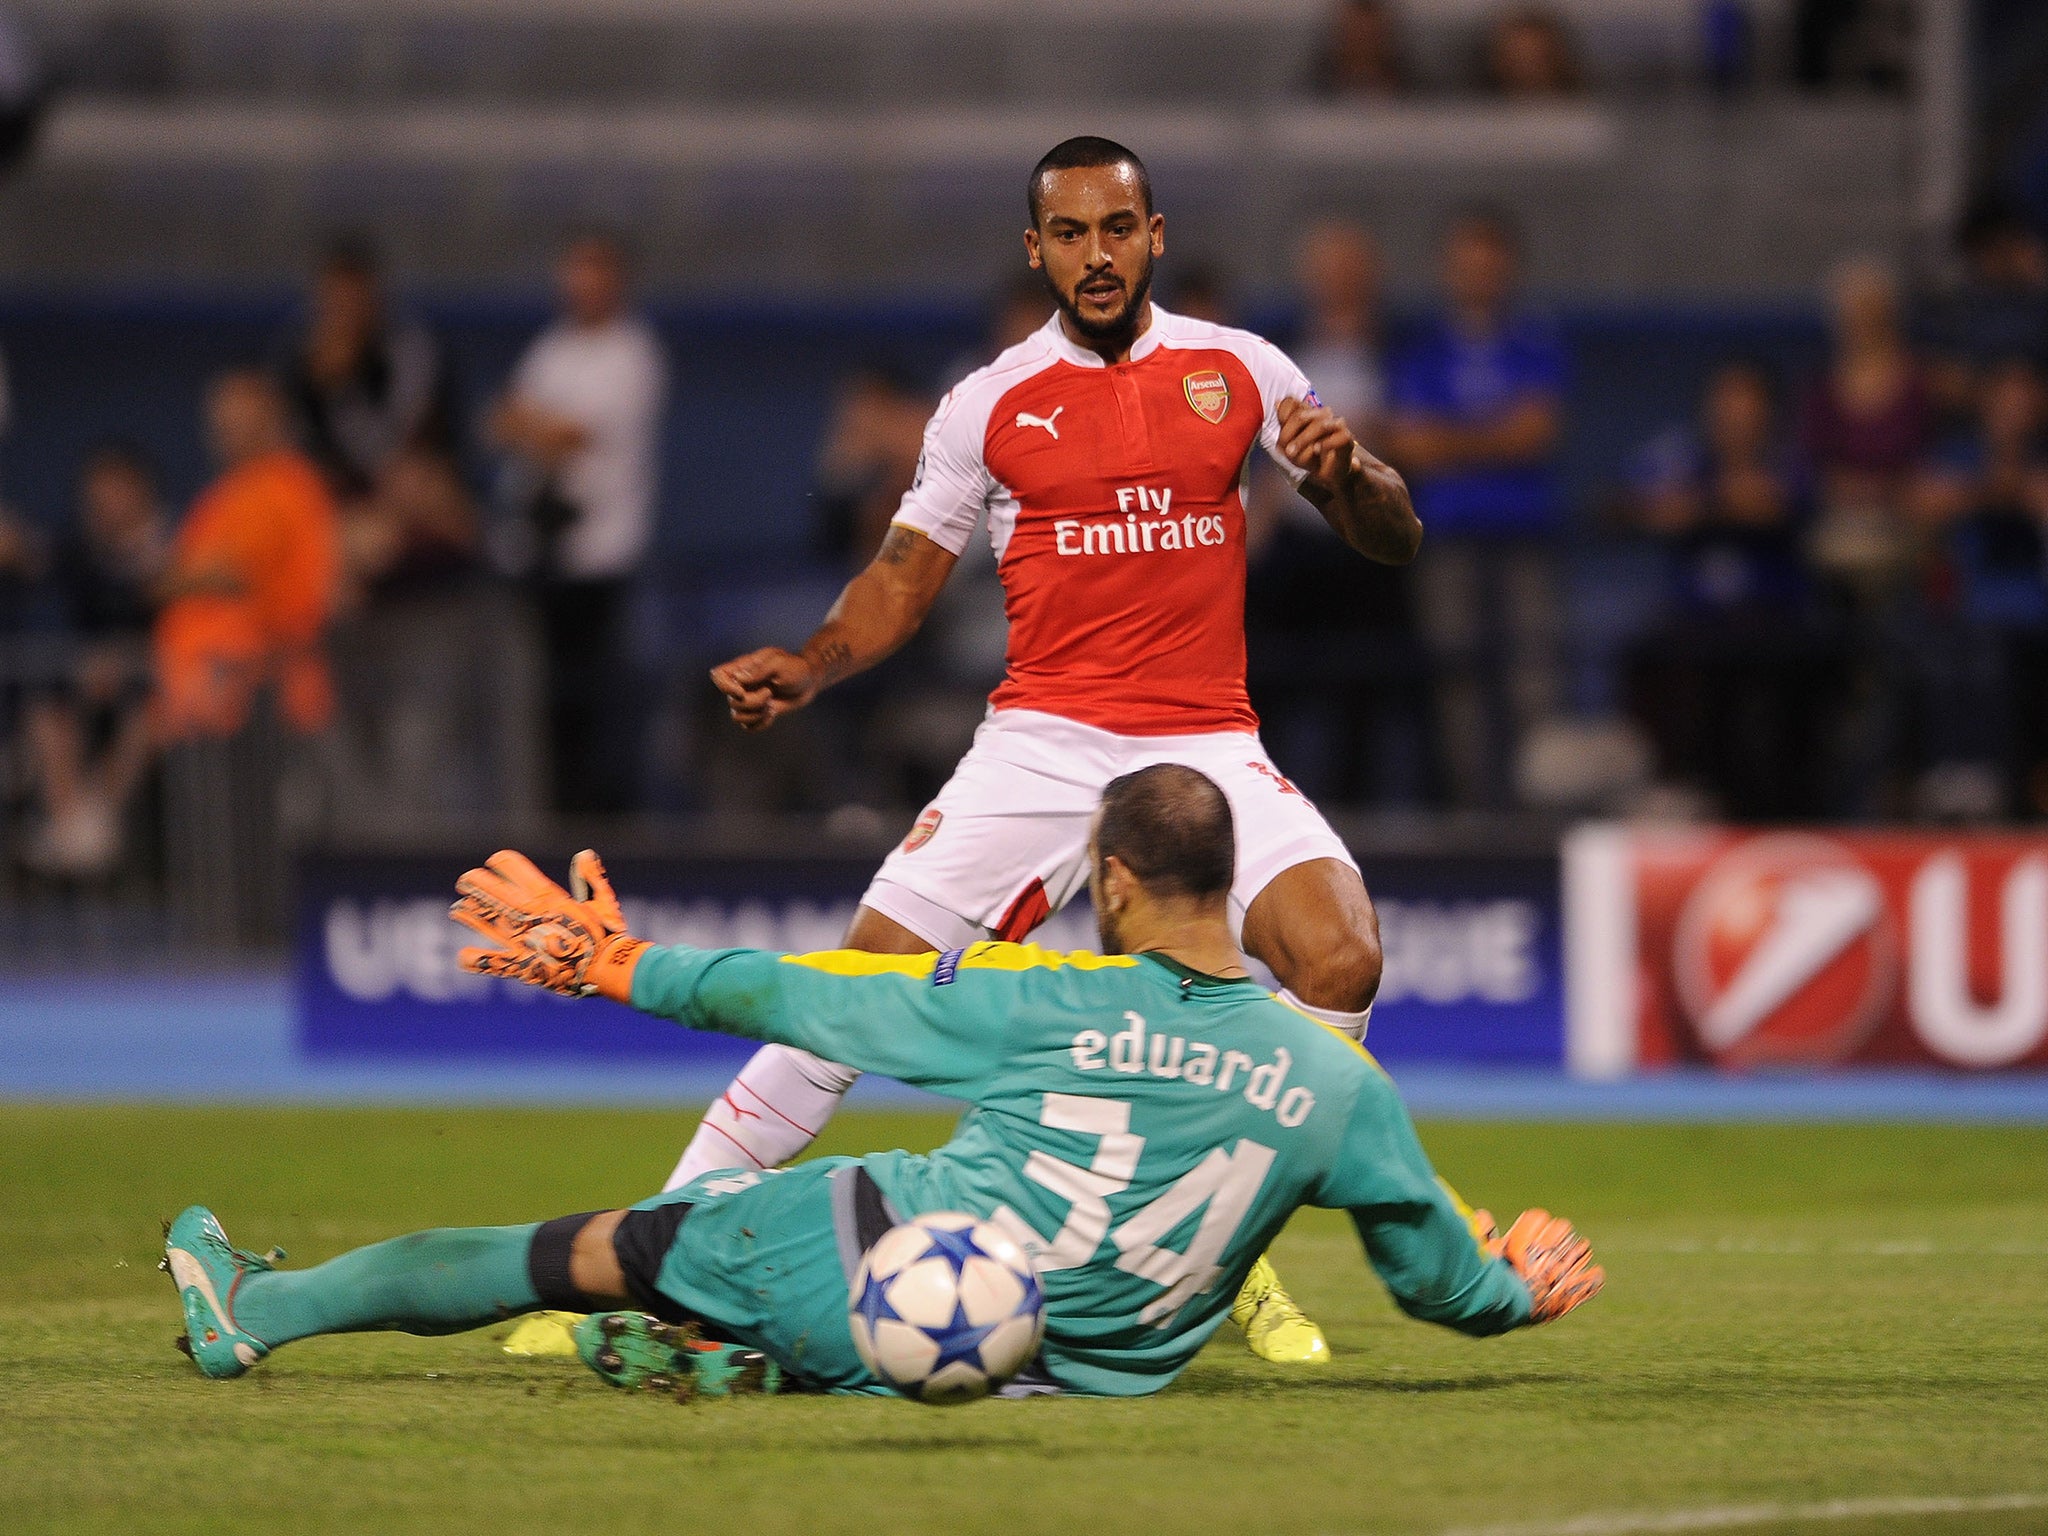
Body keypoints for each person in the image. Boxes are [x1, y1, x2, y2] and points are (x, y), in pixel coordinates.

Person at [665, 137, 1421, 1369]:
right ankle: (662, 1235)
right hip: (1045, 740)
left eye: (1114, 229)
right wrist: (809, 664)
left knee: (1338, 951)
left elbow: (1389, 538)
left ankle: (1222, 1253)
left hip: (1204, 740)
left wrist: (1355, 478)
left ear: (1153, 234)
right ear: (1036, 250)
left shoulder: (1238, 369)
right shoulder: (988, 402)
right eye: (1067, 234)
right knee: (851, 997)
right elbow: (900, 580)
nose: (1095, 254)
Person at [164, 765, 1602, 1396]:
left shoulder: (1052, 998)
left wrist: (613, 965)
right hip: (1080, 1374)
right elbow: (1435, 1284)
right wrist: (1516, 1287)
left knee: (557, 1256)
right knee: (718, 1299)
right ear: (1234, 886)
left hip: (861, 1253)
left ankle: (255, 1309)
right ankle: (755, 1360)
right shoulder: (1332, 1078)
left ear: (1109, 880)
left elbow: (804, 996)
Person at [1386, 208, 1566, 807]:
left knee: (1533, 681)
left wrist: (1452, 440)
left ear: (1508, 268)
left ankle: (1534, 818)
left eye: (1490, 263)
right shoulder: (1423, 346)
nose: (1479, 275)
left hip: (1523, 538)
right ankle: (1474, 817)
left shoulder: (1534, 341)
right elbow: (1409, 444)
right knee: (1456, 683)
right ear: (1449, 269)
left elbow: (1535, 434)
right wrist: (1495, 438)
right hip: (1446, 539)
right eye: (1468, 264)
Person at [489, 230, 668, 815]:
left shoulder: (632, 352)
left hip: (604, 558)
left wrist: (533, 426)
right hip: (543, 555)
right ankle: (556, 824)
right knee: (548, 712)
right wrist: (534, 427)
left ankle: (608, 833)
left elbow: (571, 435)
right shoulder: (552, 349)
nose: (582, 283)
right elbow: (497, 422)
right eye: (574, 269)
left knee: (603, 711)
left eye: (595, 269)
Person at [1623, 363, 1838, 820]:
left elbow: (1772, 506)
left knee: (1772, 680)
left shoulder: (1792, 462)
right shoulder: (1685, 458)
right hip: (1696, 630)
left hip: (1772, 629)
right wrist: (1698, 504)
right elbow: (1638, 505)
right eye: (1726, 409)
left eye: (1747, 409)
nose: (1735, 421)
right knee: (1650, 659)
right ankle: (1681, 791)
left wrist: (1702, 506)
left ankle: (1773, 812)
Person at [153, 370, 342, 744]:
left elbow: (230, 571)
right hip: (213, 702)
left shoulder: (283, 484)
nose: (223, 431)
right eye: (219, 420)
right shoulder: (226, 492)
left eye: (238, 419)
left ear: (273, 421)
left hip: (263, 694)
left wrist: (168, 580)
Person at [19, 446, 171, 877]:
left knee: (151, 714)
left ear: (139, 491)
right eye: (95, 495)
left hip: (162, 680)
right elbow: (54, 594)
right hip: (97, 679)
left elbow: (173, 625)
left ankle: (92, 815)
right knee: (49, 707)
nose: (103, 504)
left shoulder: (176, 544)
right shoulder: (81, 551)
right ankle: (75, 826)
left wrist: (130, 658)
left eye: (113, 492)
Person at [1801, 256, 1930, 606]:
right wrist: (1851, 489)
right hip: (1844, 516)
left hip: (1904, 517)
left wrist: (1891, 491)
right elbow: (1816, 466)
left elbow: (1924, 459)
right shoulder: (1823, 389)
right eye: (1852, 315)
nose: (1860, 323)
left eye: (1869, 313)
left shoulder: (1916, 383)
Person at [1307, 0, 1410, 97]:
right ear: (1340, 33)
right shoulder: (1316, 88)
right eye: (1356, 32)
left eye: (1370, 34)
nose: (1362, 38)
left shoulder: (1409, 86)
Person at [1480, 7, 1584, 97]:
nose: (1527, 71)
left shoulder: (1585, 110)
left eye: (1537, 61)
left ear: (1557, 59)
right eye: (1518, 61)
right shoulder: (1478, 112)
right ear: (1499, 62)